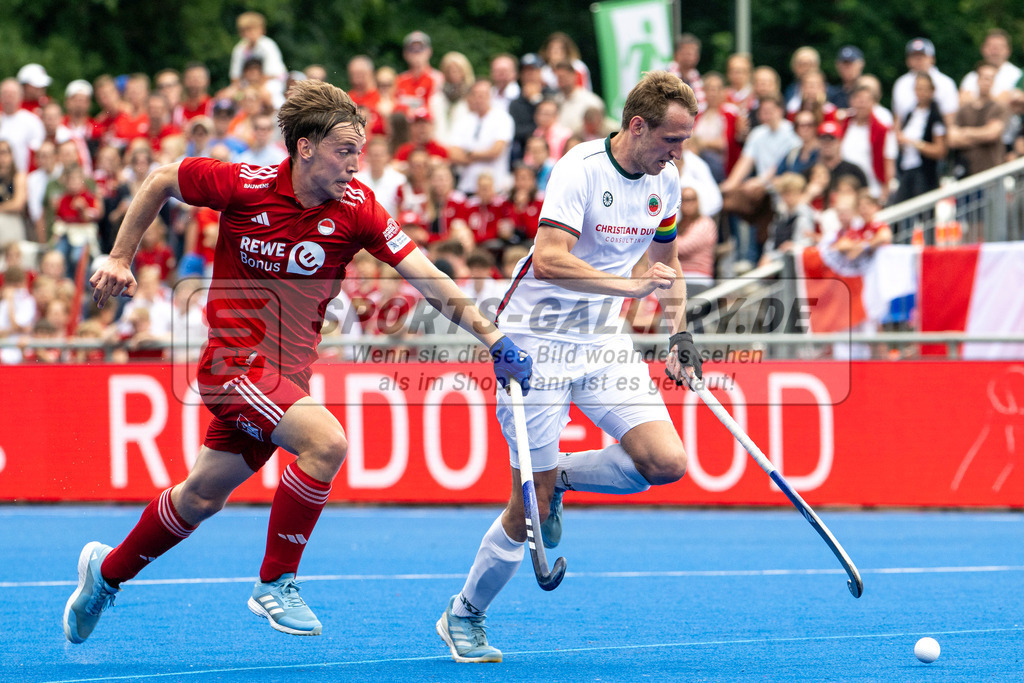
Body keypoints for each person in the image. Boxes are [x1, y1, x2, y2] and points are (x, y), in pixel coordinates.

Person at [65, 79, 533, 644]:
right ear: (305, 147)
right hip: (232, 366)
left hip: (285, 377)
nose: (354, 164)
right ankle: (276, 581)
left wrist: (491, 336)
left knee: (200, 497)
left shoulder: (359, 209)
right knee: (327, 441)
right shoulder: (244, 183)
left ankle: (105, 574)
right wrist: (119, 256)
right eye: (344, 151)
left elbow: (428, 279)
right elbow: (162, 178)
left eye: (359, 151)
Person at [436, 70, 702, 664]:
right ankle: (465, 615)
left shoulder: (668, 181)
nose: (679, 152)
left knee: (664, 463)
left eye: (684, 141)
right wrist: (628, 287)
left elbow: (668, 263)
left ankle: (561, 481)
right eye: (672, 140)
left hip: (602, 337)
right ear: (638, 125)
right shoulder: (579, 168)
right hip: (533, 340)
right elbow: (551, 261)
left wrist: (678, 328)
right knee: (523, 503)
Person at [448, 80, 515, 195]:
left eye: (483, 95)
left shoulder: (503, 119)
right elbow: (453, 154)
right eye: (476, 95)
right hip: (467, 186)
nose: (480, 99)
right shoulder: (463, 121)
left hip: (494, 187)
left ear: (490, 96)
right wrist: (483, 154)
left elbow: (495, 151)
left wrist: (468, 153)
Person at [893, 73, 947, 204]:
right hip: (906, 169)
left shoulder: (935, 117)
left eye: (924, 88)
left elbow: (940, 150)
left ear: (931, 91)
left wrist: (913, 143)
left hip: (924, 173)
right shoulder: (910, 113)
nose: (920, 92)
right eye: (918, 88)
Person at [891, 38, 959, 128]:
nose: (918, 60)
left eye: (922, 56)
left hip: (936, 136)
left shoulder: (946, 83)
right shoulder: (900, 84)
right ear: (907, 60)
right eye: (914, 56)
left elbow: (950, 120)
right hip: (907, 135)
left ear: (932, 58)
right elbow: (897, 118)